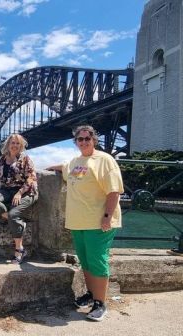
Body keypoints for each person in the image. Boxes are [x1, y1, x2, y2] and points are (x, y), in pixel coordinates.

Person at [46, 125, 123, 322]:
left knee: (98, 262)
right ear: (76, 142)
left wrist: (107, 216)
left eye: (87, 138)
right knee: (86, 262)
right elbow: (65, 169)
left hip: (98, 221)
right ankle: (91, 295)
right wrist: (50, 167)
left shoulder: (105, 160)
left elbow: (114, 191)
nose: (84, 142)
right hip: (78, 222)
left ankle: (100, 303)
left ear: (94, 140)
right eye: (80, 139)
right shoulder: (74, 161)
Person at [0, 133, 38, 264]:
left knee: (14, 213)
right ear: (8, 145)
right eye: (13, 143)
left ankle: (19, 249)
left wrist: (19, 193)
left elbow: (31, 178)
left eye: (18, 143)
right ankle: (14, 221)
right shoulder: (3, 159)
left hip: (26, 191)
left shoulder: (25, 159)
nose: (15, 145)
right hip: (7, 190)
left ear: (21, 146)